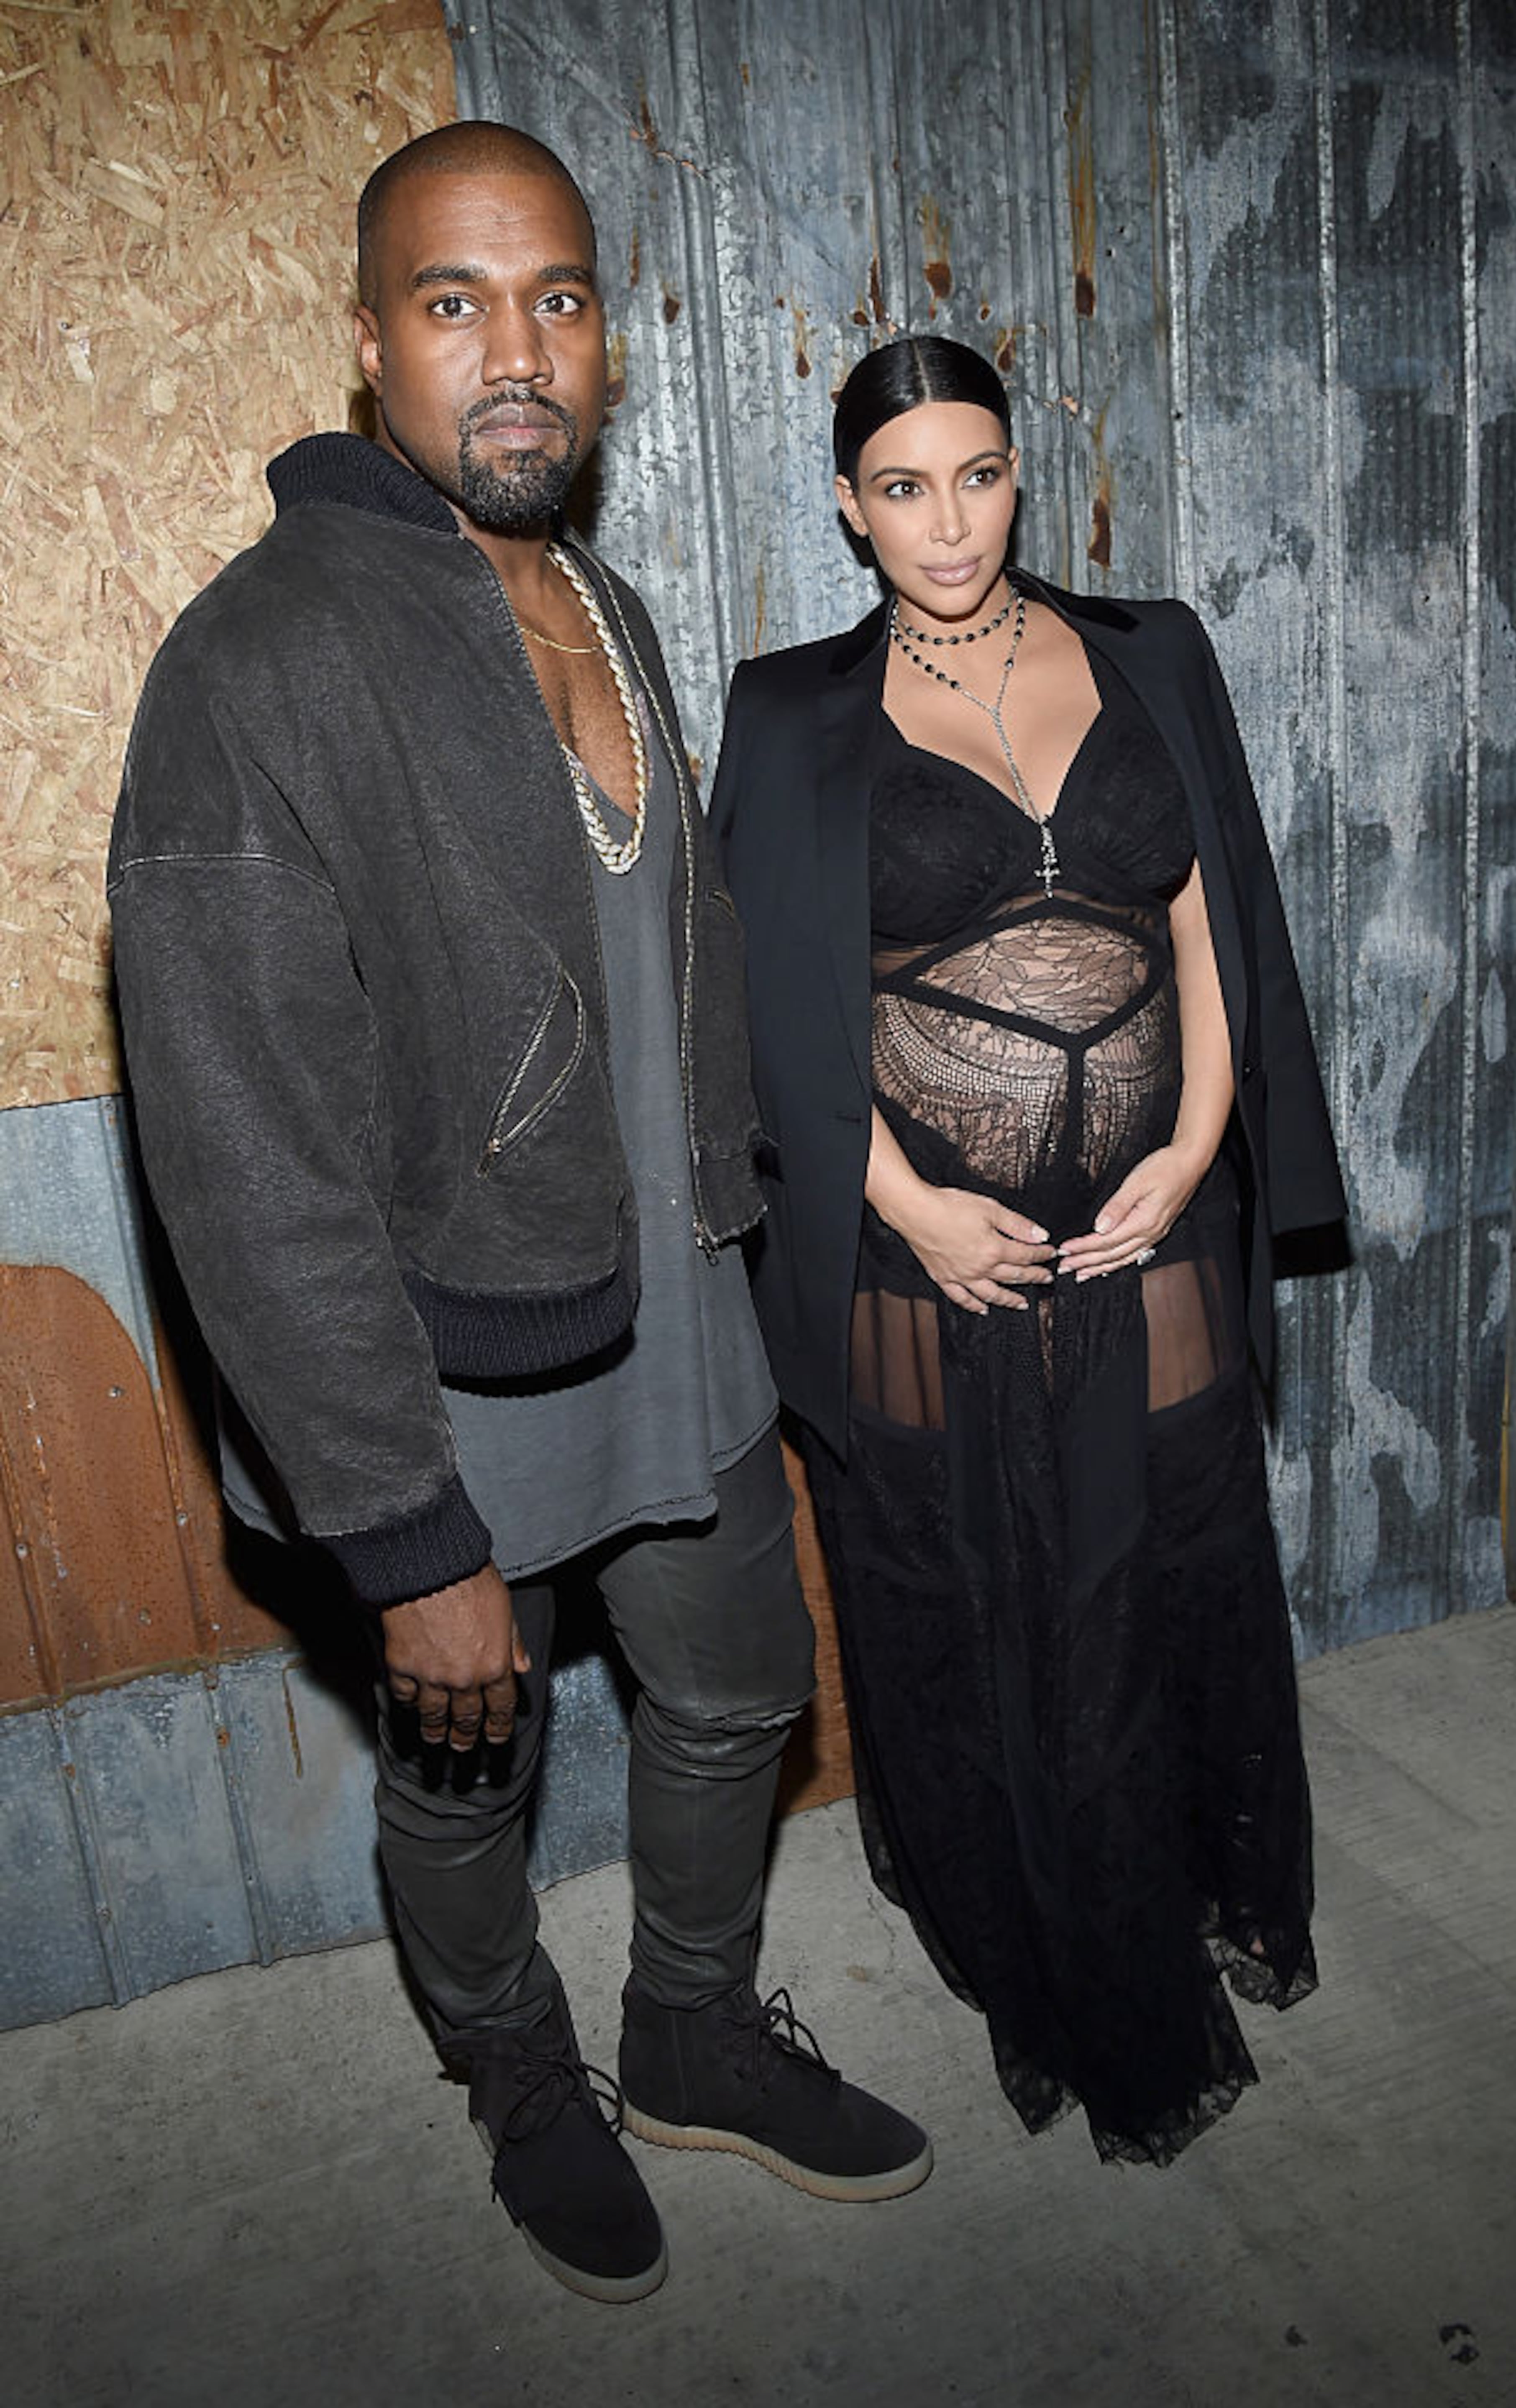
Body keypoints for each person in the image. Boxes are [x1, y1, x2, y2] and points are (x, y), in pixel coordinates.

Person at [106, 122, 930, 2306]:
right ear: (369, 340)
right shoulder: (254, 661)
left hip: (685, 1304)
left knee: (744, 1687)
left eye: (557, 298)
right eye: (455, 303)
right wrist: (401, 1533)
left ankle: (683, 2028)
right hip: (439, 1365)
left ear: (607, 339)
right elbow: (241, 1145)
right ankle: (518, 2076)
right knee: (466, 1757)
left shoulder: (597, 594)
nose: (515, 353)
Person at [711, 335, 1345, 2166]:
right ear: (849, 503)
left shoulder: (1149, 650)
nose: (946, 522)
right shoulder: (788, 707)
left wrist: (1205, 1143)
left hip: (1149, 1221)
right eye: (901, 487)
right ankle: (1046, 1955)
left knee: (1173, 1562)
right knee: (971, 1591)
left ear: (1019, 470)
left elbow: (1216, 913)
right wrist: (901, 1197)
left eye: (976, 475)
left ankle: (1190, 1889)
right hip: (929, 1249)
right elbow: (757, 1003)